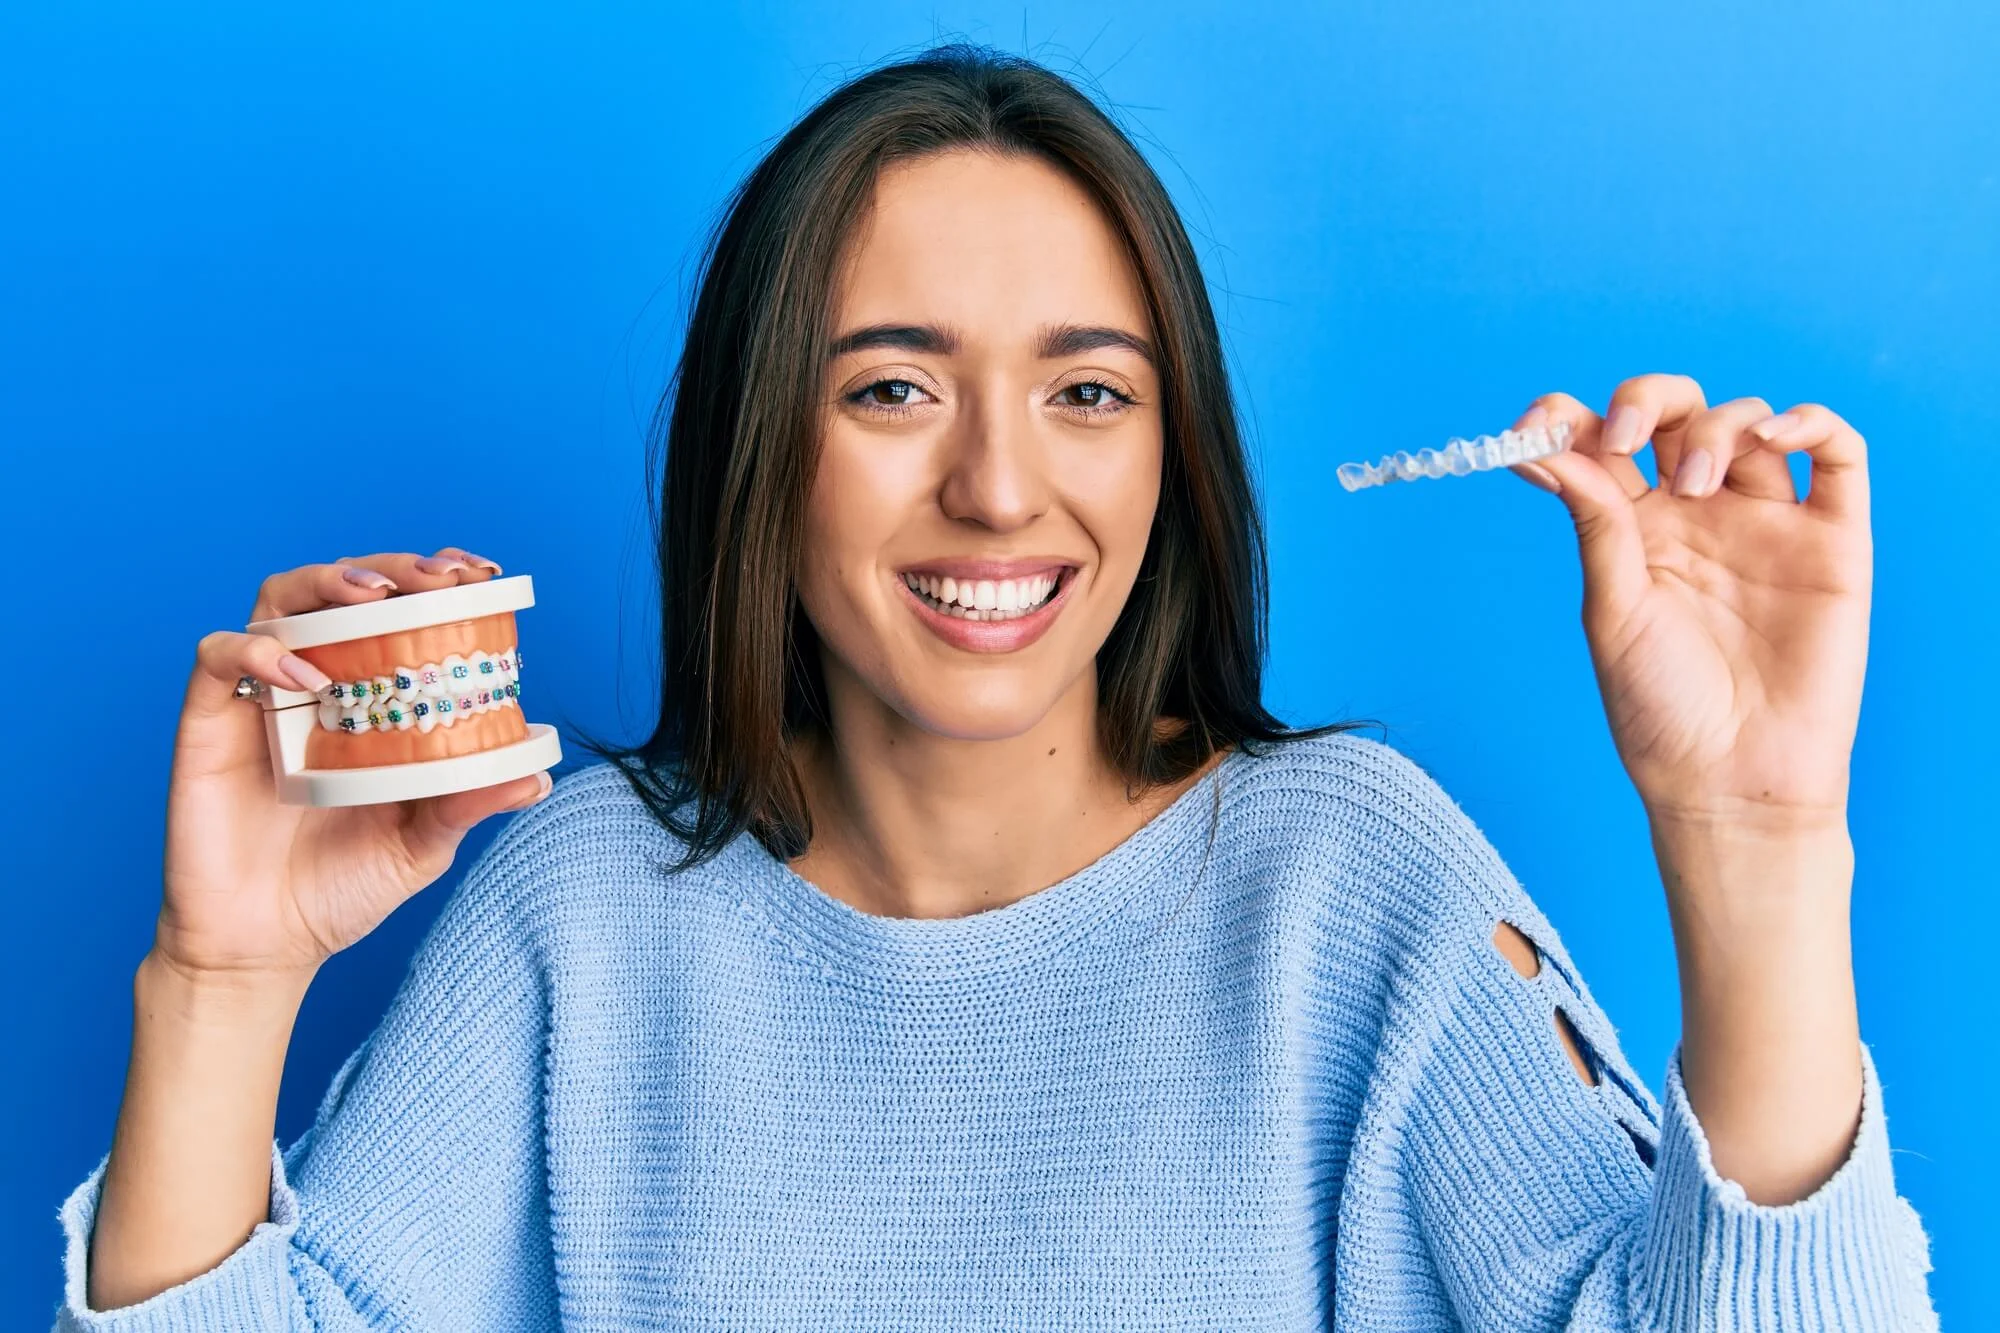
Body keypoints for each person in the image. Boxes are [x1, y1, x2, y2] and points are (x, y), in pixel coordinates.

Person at [56, 43, 1935, 1331]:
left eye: (1088, 392)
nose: (1000, 486)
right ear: (757, 451)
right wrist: (221, 980)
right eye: (891, 387)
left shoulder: (1348, 885)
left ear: (1168, 455)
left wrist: (1754, 840)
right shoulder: (584, 913)